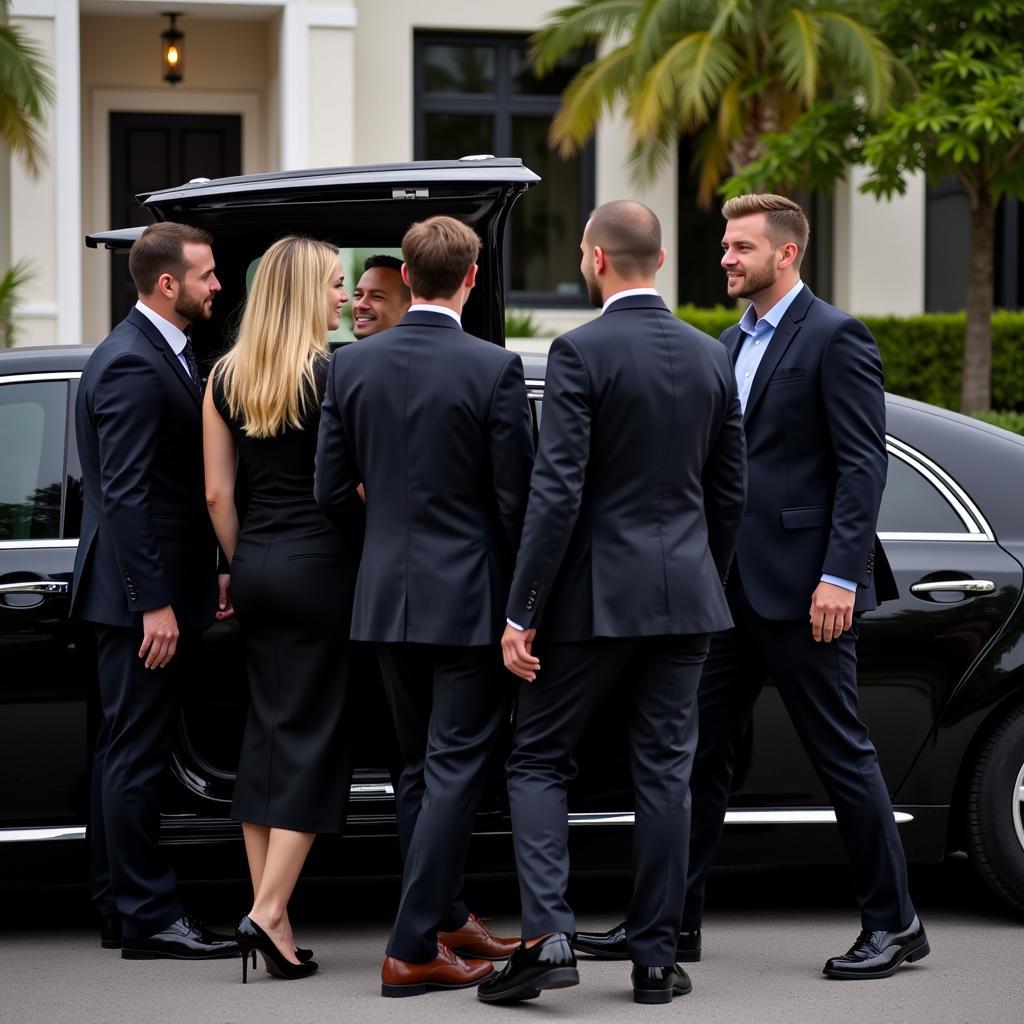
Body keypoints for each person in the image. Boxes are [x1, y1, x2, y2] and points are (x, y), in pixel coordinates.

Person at [574, 193, 928, 981]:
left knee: (842, 756)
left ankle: (896, 924)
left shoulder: (837, 337)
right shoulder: (727, 341)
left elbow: (862, 466)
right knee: (691, 760)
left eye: (742, 248)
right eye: (727, 247)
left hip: (808, 592)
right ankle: (666, 927)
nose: (728, 258)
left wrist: (839, 574)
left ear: (787, 253)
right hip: (727, 592)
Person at [480, 200, 746, 1006]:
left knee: (536, 760)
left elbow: (555, 495)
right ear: (658, 262)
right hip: (688, 600)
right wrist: (704, 575)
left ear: (595, 258)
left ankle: (548, 935)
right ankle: (656, 962)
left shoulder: (579, 352)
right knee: (666, 774)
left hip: (593, 598)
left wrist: (522, 610)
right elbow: (729, 493)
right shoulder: (711, 357)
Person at [315, 215, 534, 997]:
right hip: (469, 597)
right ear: (470, 280)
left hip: (384, 597)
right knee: (454, 770)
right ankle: (411, 948)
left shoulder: (351, 369)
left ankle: (444, 916)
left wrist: (384, 543)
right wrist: (523, 598)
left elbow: (328, 491)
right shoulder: (494, 368)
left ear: (407, 278)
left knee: (417, 769)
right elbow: (516, 502)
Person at [71, 222, 239, 962]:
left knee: (122, 753)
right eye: (206, 275)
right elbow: (129, 497)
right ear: (168, 284)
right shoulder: (134, 365)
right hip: (139, 600)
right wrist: (154, 602)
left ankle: (119, 905)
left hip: (151, 588)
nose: (217, 287)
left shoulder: (154, 353)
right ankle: (147, 915)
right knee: (134, 756)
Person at [203, 235, 359, 983]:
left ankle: (277, 919)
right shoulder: (333, 374)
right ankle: (266, 912)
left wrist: (240, 562)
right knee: (313, 740)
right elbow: (350, 487)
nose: (343, 295)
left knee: (264, 738)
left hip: (255, 566)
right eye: (334, 283)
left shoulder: (224, 376)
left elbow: (217, 495)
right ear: (303, 292)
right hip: (320, 568)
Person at [351, 254, 411, 339]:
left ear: (409, 308)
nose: (359, 305)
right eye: (358, 295)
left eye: (377, 297)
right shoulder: (344, 352)